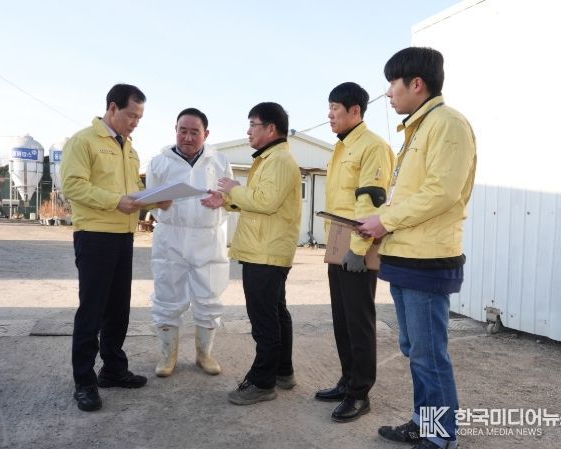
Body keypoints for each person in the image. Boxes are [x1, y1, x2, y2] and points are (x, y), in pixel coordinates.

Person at [358, 47, 477, 449]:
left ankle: (441, 436)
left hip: (427, 259)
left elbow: (442, 192)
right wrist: (379, 220)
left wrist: (386, 220)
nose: (388, 92)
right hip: (405, 255)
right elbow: (408, 195)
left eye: (393, 82)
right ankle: (424, 423)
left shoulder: (447, 124)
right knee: (414, 349)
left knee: (428, 354)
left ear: (417, 84)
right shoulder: (418, 129)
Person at [61, 84, 171, 412]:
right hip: (95, 235)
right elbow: (73, 186)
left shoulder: (129, 148)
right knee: (92, 310)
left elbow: (132, 191)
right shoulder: (84, 141)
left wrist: (154, 199)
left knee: (118, 309)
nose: (135, 122)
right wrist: (115, 201)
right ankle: (84, 381)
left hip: (124, 236)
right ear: (112, 108)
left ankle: (112, 369)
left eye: (140, 118)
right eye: (131, 115)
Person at [201, 102, 302, 405]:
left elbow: (265, 201)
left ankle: (262, 382)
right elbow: (259, 200)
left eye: (252, 124)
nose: (248, 131)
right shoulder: (271, 158)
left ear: (270, 128)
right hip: (267, 249)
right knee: (276, 314)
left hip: (265, 252)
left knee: (264, 321)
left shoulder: (278, 160)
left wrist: (233, 188)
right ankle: (283, 371)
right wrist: (227, 200)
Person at [314, 82, 394, 422]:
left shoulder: (373, 146)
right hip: (338, 241)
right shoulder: (342, 146)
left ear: (355, 110)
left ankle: (360, 393)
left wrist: (359, 250)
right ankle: (347, 381)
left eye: (335, 108)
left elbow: (371, 200)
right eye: (330, 108)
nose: (330, 114)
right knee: (342, 318)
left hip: (357, 244)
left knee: (359, 321)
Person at [146, 108, 232, 378]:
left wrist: (224, 200)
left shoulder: (219, 161)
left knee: (209, 296)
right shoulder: (159, 163)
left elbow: (230, 197)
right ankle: (167, 356)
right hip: (171, 237)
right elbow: (150, 200)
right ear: (175, 130)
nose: (188, 137)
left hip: (208, 238)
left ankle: (204, 354)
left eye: (195, 132)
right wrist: (159, 204)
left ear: (206, 134)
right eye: (183, 130)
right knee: (167, 296)